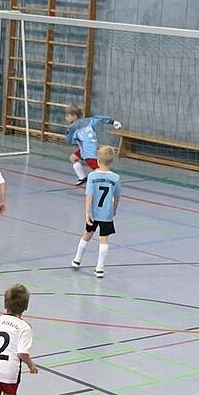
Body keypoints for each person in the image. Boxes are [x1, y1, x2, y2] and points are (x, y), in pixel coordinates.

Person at [0, 284, 38, 395]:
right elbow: (22, 353)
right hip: (10, 372)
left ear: (5, 304)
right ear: (26, 307)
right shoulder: (24, 327)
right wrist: (30, 364)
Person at [72, 146, 121, 278]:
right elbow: (116, 197)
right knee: (104, 239)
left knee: (87, 234)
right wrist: (114, 210)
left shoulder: (92, 176)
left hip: (94, 212)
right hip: (107, 214)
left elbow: (89, 195)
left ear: (98, 161)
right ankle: (100, 268)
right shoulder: (115, 178)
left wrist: (87, 212)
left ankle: (77, 259)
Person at [65, 106, 121, 186]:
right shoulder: (89, 120)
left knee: (98, 170)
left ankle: (110, 182)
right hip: (90, 147)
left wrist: (71, 137)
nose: (66, 118)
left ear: (75, 116)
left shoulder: (72, 127)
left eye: (68, 116)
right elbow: (99, 119)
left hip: (88, 153)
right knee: (73, 158)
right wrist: (112, 122)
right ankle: (82, 178)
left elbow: (68, 141)